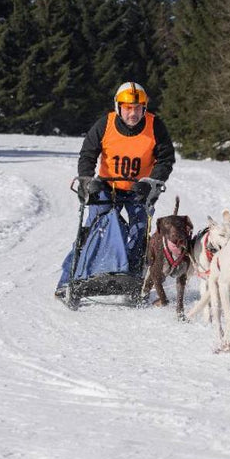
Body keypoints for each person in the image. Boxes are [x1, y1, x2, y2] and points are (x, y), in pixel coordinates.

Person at [55, 81, 176, 297]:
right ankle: (68, 280)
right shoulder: (105, 124)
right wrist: (86, 180)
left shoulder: (155, 126)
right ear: (118, 107)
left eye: (137, 108)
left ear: (144, 108)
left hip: (140, 190)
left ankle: (132, 279)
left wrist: (152, 182)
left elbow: (166, 159)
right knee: (93, 229)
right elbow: (88, 154)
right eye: (128, 108)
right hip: (106, 187)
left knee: (139, 233)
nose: (133, 113)